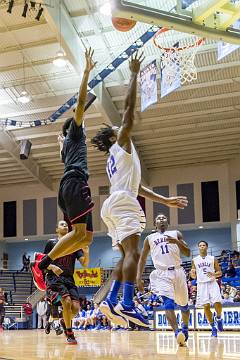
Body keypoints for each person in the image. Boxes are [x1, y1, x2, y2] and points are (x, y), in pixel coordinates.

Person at [91, 52, 188, 328]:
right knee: (133, 254)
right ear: (113, 135)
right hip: (122, 202)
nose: (119, 127)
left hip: (114, 202)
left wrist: (165, 200)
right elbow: (129, 113)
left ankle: (111, 300)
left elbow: (138, 187)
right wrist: (133, 74)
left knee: (126, 256)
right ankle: (128, 303)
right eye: (116, 128)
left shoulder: (117, 156)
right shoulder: (119, 141)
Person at [30, 48, 96, 291]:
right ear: (75, 128)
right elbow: (80, 103)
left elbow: (61, 150)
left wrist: (61, 140)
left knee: (86, 237)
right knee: (79, 232)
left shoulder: (67, 146)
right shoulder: (75, 135)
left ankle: (49, 260)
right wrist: (86, 73)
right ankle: (44, 263)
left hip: (73, 185)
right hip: (74, 183)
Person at [137, 213, 190, 346]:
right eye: (158, 218)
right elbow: (142, 258)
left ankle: (185, 327)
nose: (161, 219)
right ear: (155, 224)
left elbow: (188, 253)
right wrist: (138, 277)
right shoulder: (149, 238)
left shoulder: (176, 233)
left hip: (178, 271)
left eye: (164, 218)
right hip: (162, 273)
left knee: (184, 306)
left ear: (168, 222)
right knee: (168, 303)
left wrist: (177, 242)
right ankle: (177, 332)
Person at [44, 220, 89, 345]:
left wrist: (86, 251)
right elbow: (42, 263)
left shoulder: (74, 245)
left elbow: (84, 263)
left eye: (66, 225)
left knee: (75, 308)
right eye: (62, 224)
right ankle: (69, 333)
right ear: (57, 229)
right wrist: (52, 267)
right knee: (66, 301)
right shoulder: (51, 243)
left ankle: (65, 321)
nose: (65, 226)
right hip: (55, 278)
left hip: (69, 279)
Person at [191, 241, 223, 337]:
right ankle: (213, 327)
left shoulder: (213, 259)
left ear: (207, 247)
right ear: (198, 248)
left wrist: (214, 274)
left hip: (212, 282)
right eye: (200, 246)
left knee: (217, 303)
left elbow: (220, 273)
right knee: (206, 306)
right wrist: (192, 274)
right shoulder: (194, 260)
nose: (202, 247)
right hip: (201, 284)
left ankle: (219, 318)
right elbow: (193, 275)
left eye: (203, 245)